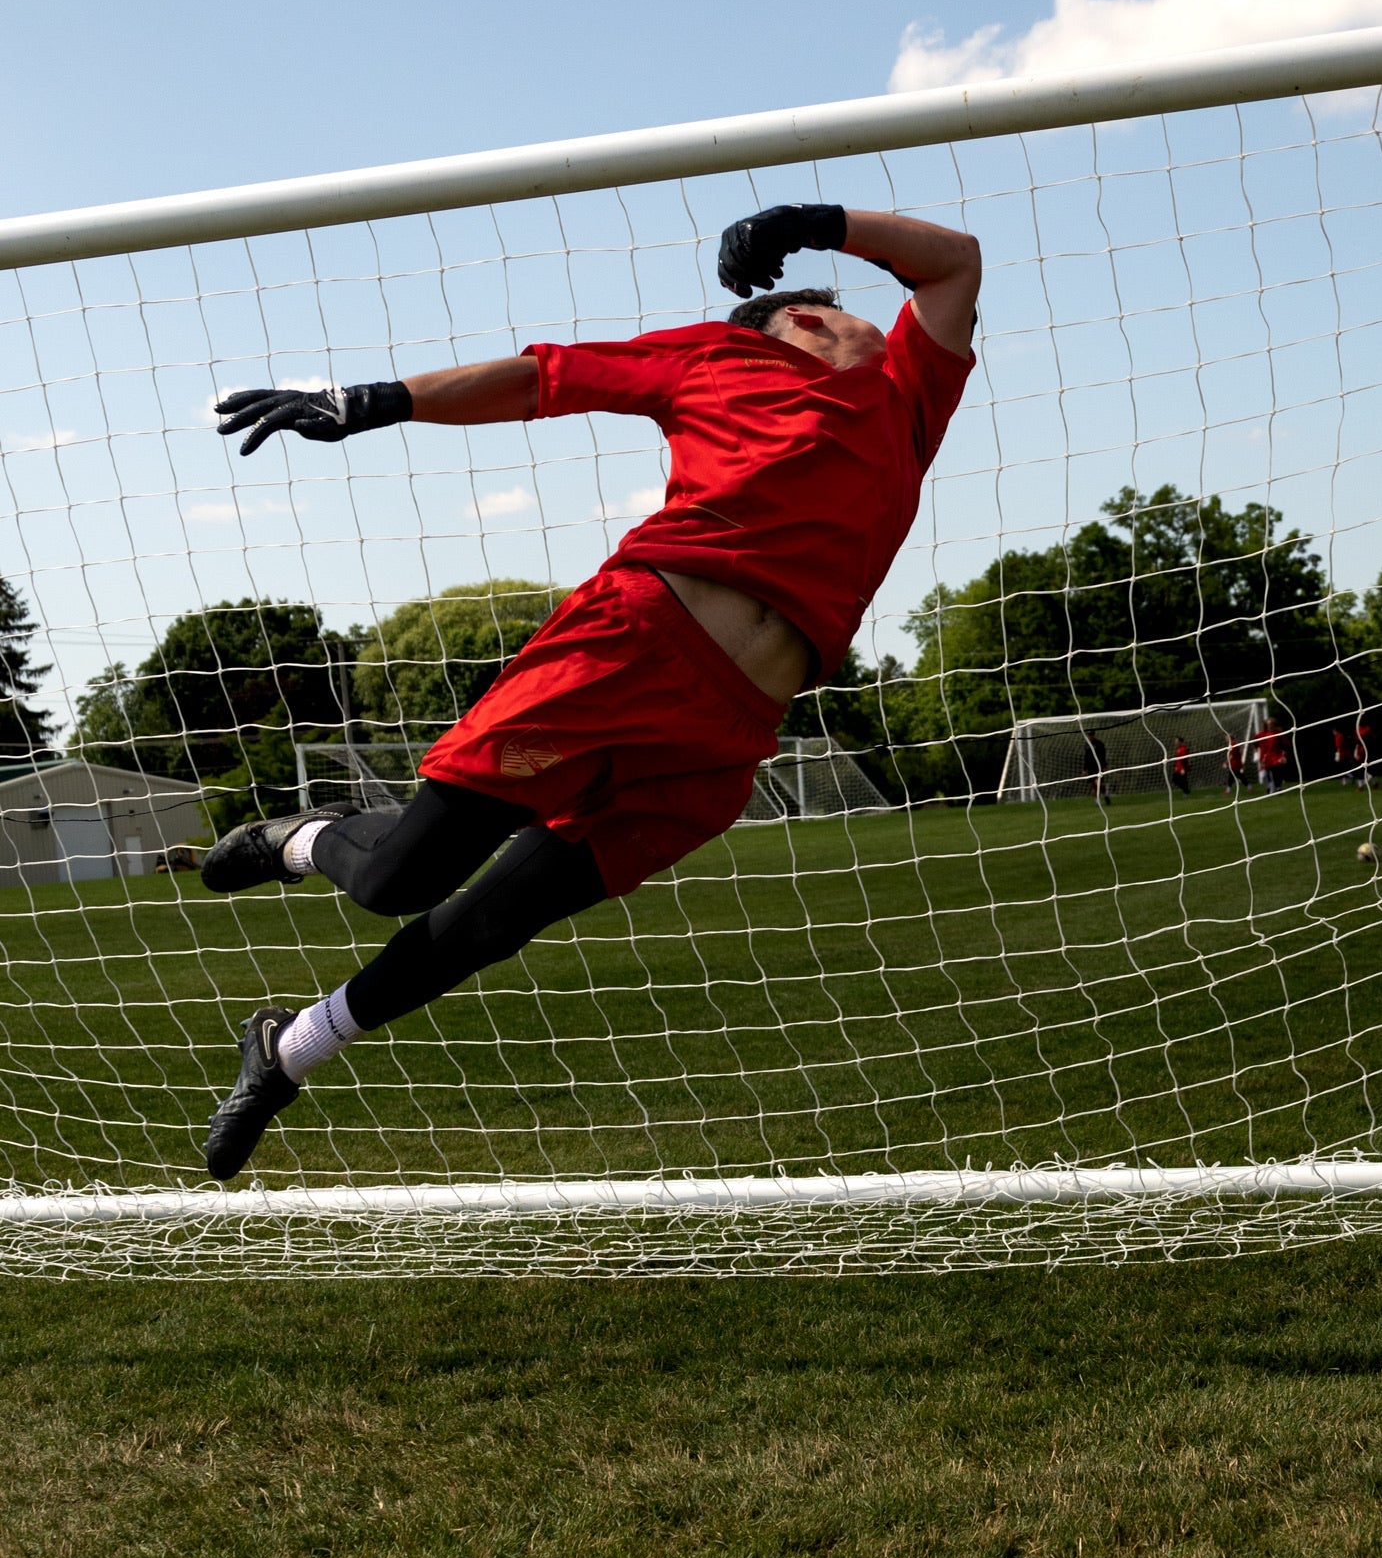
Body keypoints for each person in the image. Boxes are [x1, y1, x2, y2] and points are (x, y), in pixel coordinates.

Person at [199, 201, 982, 1179]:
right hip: (625, 655)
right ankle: (304, 835)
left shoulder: (909, 400)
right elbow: (545, 378)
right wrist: (374, 399)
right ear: (803, 321)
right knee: (401, 880)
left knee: (496, 921)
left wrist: (813, 219)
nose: (873, 314)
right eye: (837, 307)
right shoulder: (712, 356)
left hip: (726, 735)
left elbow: (953, 262)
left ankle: (287, 1049)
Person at [1255, 717, 1287, 794]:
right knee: (1264, 774)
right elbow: (1255, 743)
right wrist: (1256, 754)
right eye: (1268, 724)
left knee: (1275, 772)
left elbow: (1284, 745)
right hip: (1266, 757)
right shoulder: (1261, 734)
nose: (1270, 726)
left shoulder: (1278, 733)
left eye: (1271, 724)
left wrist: (1283, 755)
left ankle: (1277, 787)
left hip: (1276, 756)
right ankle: (1269, 787)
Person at [1080, 731, 1107, 801]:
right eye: (1088, 735)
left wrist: (1104, 766)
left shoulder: (1099, 744)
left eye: (1091, 735)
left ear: (1093, 735)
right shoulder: (1087, 745)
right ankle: (1098, 800)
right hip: (1090, 767)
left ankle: (1105, 793)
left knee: (1099, 783)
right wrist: (1084, 769)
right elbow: (1086, 758)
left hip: (1098, 766)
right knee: (1094, 785)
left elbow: (1103, 756)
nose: (1090, 736)